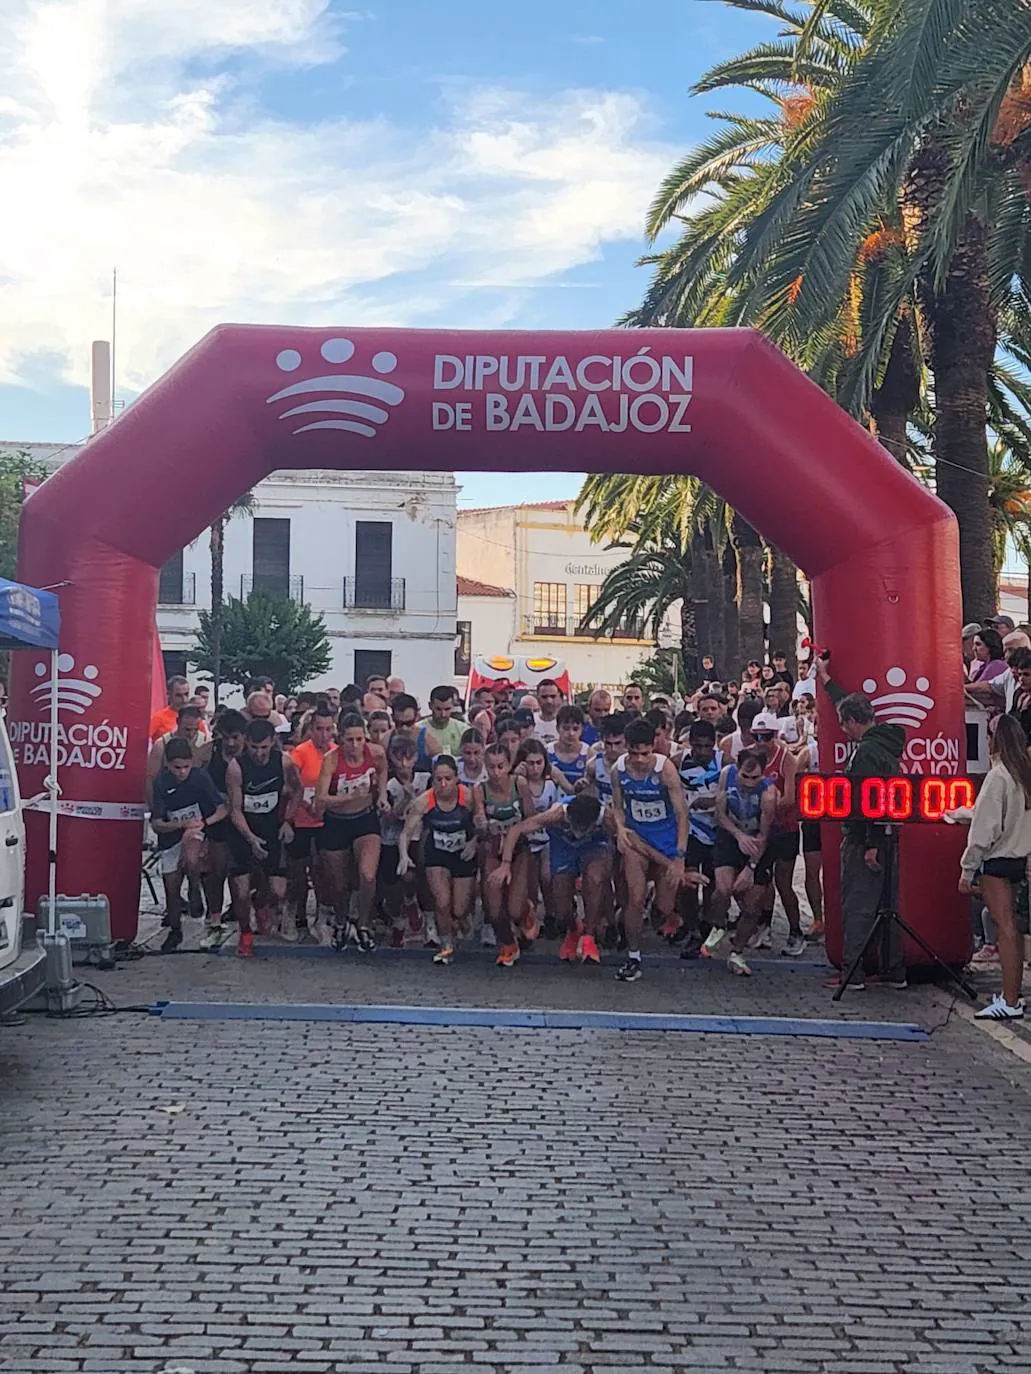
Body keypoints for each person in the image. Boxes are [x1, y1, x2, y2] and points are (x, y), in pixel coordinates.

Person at [816, 655, 907, 992]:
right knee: (888, 905)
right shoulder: (886, 742)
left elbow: (866, 800)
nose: (842, 731)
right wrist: (827, 680)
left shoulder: (866, 754)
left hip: (864, 839)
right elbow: (847, 704)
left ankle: (852, 973)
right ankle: (893, 968)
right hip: (889, 833)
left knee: (858, 905)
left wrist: (868, 842)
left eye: (843, 724)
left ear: (853, 721)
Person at [609, 717, 692, 982]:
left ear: (653, 747)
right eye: (634, 753)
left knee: (666, 906)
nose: (640, 759)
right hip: (636, 839)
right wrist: (621, 829)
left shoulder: (664, 769)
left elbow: (682, 815)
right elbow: (618, 807)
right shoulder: (619, 770)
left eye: (645, 753)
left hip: (666, 840)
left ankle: (658, 907)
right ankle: (633, 956)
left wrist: (679, 857)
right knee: (634, 898)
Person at [959, 714, 1031, 1020]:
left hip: (997, 860)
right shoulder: (1022, 775)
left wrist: (967, 869)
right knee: (1009, 926)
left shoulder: (998, 775)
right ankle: (1011, 994)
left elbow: (983, 830)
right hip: (1019, 857)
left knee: (1005, 930)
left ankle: (1011, 1000)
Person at [494, 792, 611, 966]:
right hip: (563, 849)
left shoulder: (606, 817)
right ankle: (573, 928)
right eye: (574, 827)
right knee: (561, 906)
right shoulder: (556, 814)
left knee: (594, 879)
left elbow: (625, 834)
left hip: (593, 847)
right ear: (568, 817)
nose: (578, 833)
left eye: (583, 829)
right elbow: (516, 830)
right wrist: (505, 864)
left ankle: (589, 935)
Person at [398, 755, 485, 965]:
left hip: (463, 854)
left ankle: (461, 920)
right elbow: (406, 832)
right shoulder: (425, 800)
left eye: (448, 779)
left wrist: (474, 842)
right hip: (437, 854)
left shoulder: (469, 797)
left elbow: (483, 825)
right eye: (438, 779)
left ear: (457, 778)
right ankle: (446, 945)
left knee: (459, 909)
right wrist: (403, 855)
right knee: (442, 902)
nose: (443, 784)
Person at [314, 711, 389, 951]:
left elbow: (382, 772)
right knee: (339, 884)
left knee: (367, 875)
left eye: (359, 739)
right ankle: (340, 921)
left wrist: (382, 796)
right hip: (336, 822)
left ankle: (364, 924)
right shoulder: (331, 760)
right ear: (340, 739)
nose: (355, 745)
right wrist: (346, 797)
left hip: (365, 820)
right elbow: (320, 798)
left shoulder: (375, 753)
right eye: (349, 740)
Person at [226, 719, 301, 957]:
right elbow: (234, 809)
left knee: (278, 891)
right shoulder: (236, 767)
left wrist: (289, 820)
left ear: (272, 744)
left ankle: (261, 904)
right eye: (254, 748)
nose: (259, 754)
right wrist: (250, 838)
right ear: (246, 743)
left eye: (264, 748)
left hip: (271, 829)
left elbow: (297, 790)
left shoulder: (284, 762)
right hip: (243, 831)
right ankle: (245, 932)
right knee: (240, 891)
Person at [150, 738, 227, 953]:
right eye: (177, 768)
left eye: (186, 767)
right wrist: (178, 824)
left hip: (197, 831)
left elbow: (222, 809)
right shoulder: (161, 783)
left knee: (192, 852)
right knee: (171, 887)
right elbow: (156, 823)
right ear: (167, 764)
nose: (182, 772)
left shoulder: (200, 778)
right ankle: (175, 928)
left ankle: (195, 885)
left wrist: (203, 823)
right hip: (171, 837)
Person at [709, 748, 778, 975]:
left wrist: (751, 867)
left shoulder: (768, 793)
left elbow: (765, 836)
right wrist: (738, 836)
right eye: (744, 777)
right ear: (737, 769)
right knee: (723, 888)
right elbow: (719, 815)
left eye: (754, 778)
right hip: (731, 835)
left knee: (751, 906)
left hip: (757, 843)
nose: (749, 783)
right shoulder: (726, 775)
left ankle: (737, 951)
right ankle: (718, 924)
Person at [749, 711, 806, 956]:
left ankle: (796, 931)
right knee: (761, 880)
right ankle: (764, 927)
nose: (762, 741)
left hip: (784, 827)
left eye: (767, 736)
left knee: (783, 882)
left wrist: (766, 805)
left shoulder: (786, 758)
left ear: (775, 735)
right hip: (762, 828)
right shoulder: (750, 757)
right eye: (757, 736)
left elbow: (791, 798)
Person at [286, 705, 336, 943]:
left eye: (328, 729)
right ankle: (295, 913)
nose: (324, 735)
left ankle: (322, 916)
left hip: (326, 820)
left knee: (322, 869)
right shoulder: (300, 752)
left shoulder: (336, 752)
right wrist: (303, 804)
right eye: (319, 729)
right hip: (302, 819)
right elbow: (291, 786)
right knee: (298, 870)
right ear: (311, 729)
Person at [479, 742, 532, 962]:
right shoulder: (480, 789)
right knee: (493, 905)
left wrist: (512, 831)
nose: (496, 772)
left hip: (519, 846)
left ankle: (527, 913)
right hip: (492, 847)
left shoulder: (519, 784)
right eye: (491, 767)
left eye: (501, 766)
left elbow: (530, 817)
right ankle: (508, 944)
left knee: (515, 908)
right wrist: (481, 823)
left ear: (509, 765)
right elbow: (479, 816)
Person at [201, 709, 248, 946]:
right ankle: (215, 919)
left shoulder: (254, 751)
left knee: (247, 873)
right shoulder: (208, 752)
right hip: (218, 818)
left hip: (247, 818)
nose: (230, 743)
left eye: (236, 738)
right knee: (216, 870)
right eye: (226, 737)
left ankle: (248, 920)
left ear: (244, 736)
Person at [379, 734, 430, 947]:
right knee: (391, 882)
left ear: (416, 758)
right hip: (391, 837)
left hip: (417, 835)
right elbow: (389, 815)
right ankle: (398, 920)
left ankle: (415, 906)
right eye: (399, 758)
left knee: (414, 876)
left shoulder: (425, 779)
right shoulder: (388, 785)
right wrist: (408, 799)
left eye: (408, 758)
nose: (404, 764)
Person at [678, 719, 721, 958]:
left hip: (717, 831)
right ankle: (692, 927)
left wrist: (713, 802)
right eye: (698, 746)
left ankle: (708, 927)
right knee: (688, 883)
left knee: (713, 885)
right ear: (690, 744)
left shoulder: (725, 761)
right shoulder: (678, 762)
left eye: (707, 746)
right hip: (691, 830)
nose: (703, 752)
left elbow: (733, 792)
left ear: (714, 744)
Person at [149, 676, 209, 743]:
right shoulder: (158, 718)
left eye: (186, 694)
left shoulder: (196, 718)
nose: (184, 700)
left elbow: (204, 745)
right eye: (178, 695)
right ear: (169, 694)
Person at [548, 705, 591, 787]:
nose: (571, 733)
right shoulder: (547, 751)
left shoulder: (589, 753)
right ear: (557, 728)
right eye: (566, 728)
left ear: (582, 729)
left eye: (575, 729)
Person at [419, 684, 466, 757]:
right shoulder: (418, 730)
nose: (443, 714)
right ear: (430, 706)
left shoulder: (463, 730)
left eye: (447, 709)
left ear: (453, 706)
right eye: (438, 709)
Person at [533, 678, 563, 744]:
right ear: (537, 698)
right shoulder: (531, 721)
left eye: (553, 696)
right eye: (544, 697)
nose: (549, 701)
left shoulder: (566, 723)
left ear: (559, 697)